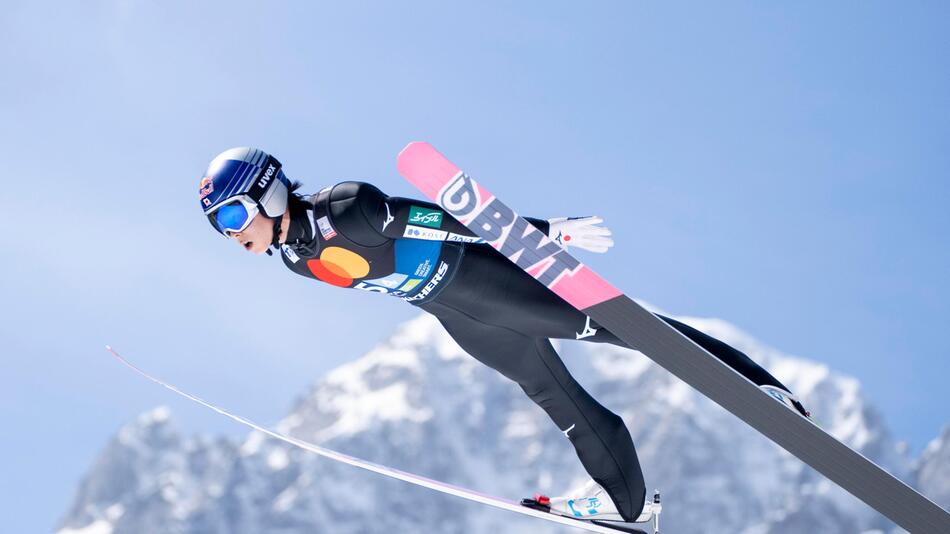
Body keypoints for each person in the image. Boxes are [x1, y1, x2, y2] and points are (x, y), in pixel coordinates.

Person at [198, 147, 810, 524]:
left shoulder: (349, 206)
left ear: (268, 192)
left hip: (491, 281)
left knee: (638, 334)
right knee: (559, 402)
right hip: (459, 316)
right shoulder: (293, 259)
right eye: (217, 227)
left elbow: (449, 222)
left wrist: (546, 234)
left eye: (232, 216)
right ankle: (629, 506)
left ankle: (763, 388)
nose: (231, 234)